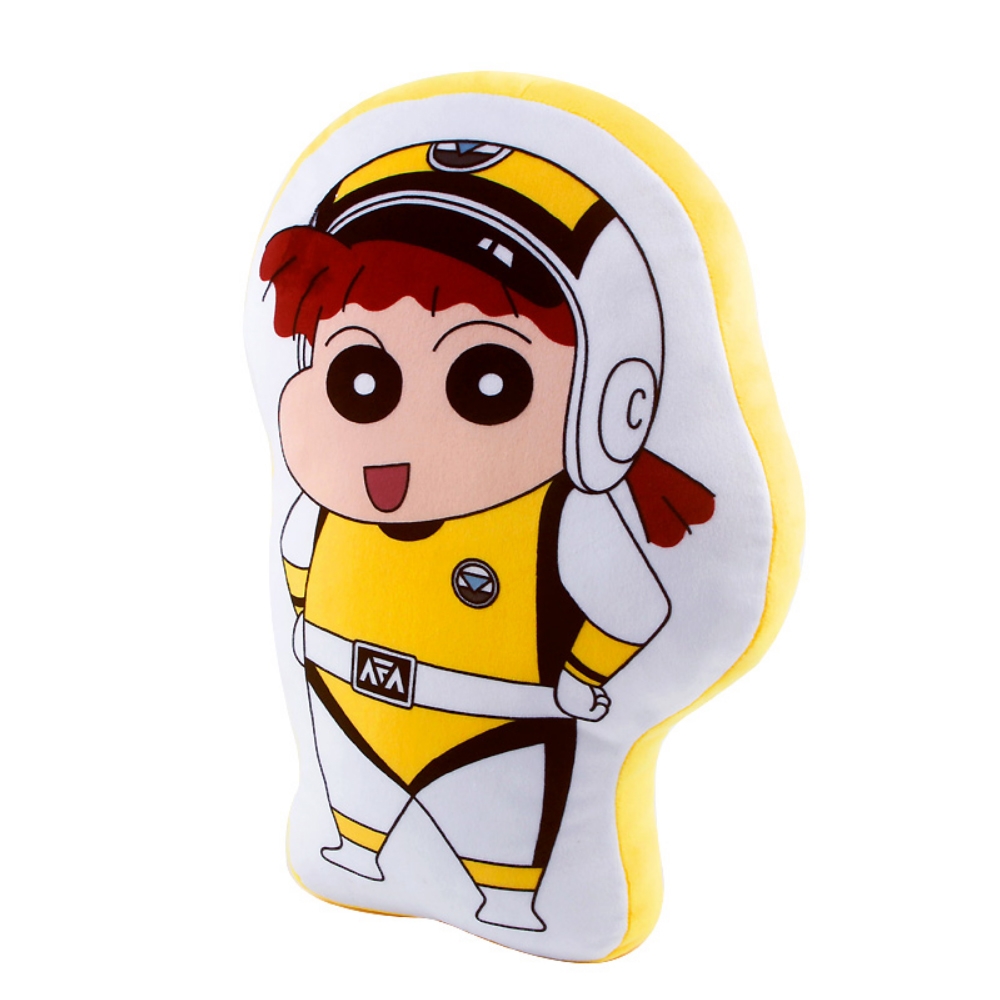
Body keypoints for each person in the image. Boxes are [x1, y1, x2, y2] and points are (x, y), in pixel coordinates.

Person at [260, 141, 715, 932]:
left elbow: (633, 608)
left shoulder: (558, 517)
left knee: (502, 863)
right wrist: (307, 616)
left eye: (487, 382)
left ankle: (507, 900)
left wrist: (580, 673)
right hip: (344, 705)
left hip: (495, 727)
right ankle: (358, 850)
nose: (402, 436)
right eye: (359, 379)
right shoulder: (327, 502)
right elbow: (297, 557)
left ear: (606, 407)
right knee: (353, 834)